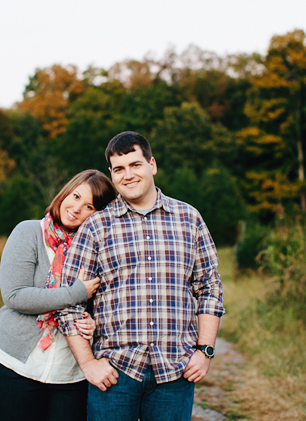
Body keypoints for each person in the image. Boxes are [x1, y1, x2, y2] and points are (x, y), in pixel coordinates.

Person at [57, 131, 225, 421]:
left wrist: (205, 351)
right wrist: (88, 364)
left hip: (175, 371)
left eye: (136, 165)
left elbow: (209, 288)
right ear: (112, 174)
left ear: (152, 165)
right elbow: (68, 300)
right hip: (114, 372)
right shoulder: (97, 226)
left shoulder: (189, 219)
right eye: (119, 169)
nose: (128, 175)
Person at [0, 169, 116, 421]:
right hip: (13, 365)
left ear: (100, 215)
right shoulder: (28, 232)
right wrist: (76, 293)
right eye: (75, 196)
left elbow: (108, 305)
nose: (77, 208)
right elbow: (15, 296)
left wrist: (93, 321)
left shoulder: (99, 251)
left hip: (70, 373)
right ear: (66, 191)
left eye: (89, 206)